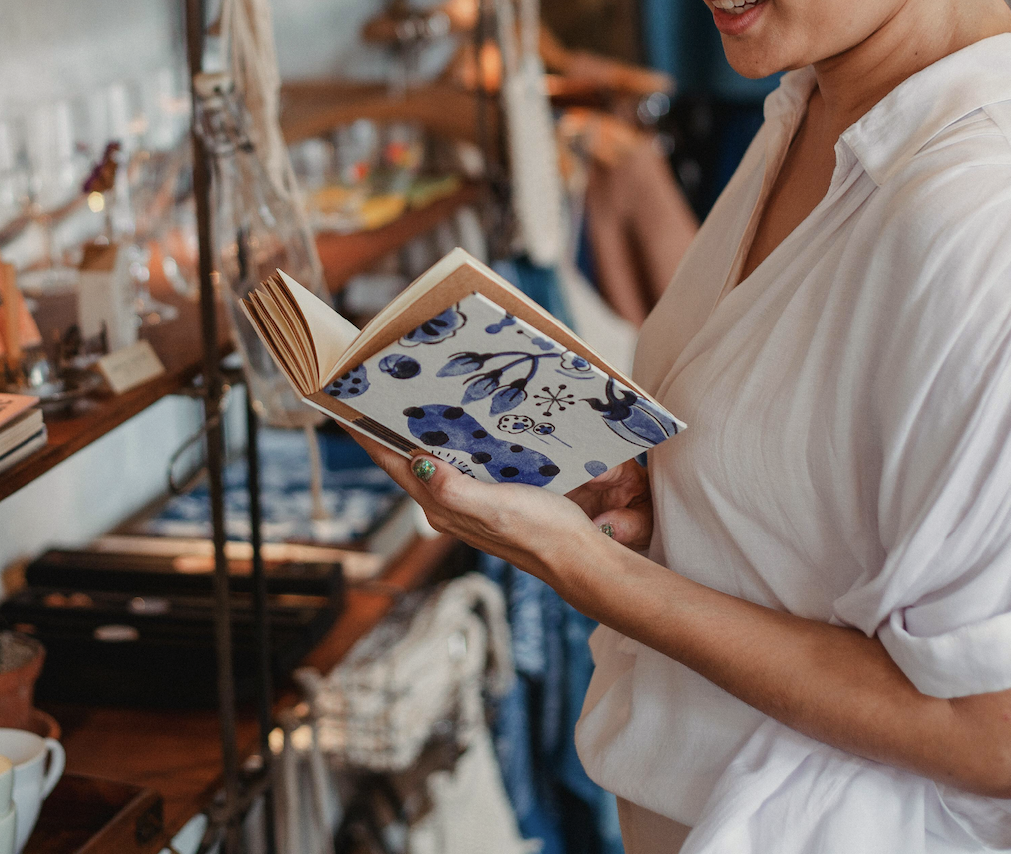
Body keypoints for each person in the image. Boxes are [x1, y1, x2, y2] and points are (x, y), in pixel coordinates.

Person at [349, 0, 1011, 851]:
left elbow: (990, 728)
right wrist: (677, 498)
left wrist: (579, 563)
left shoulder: (975, 213)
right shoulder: (813, 101)